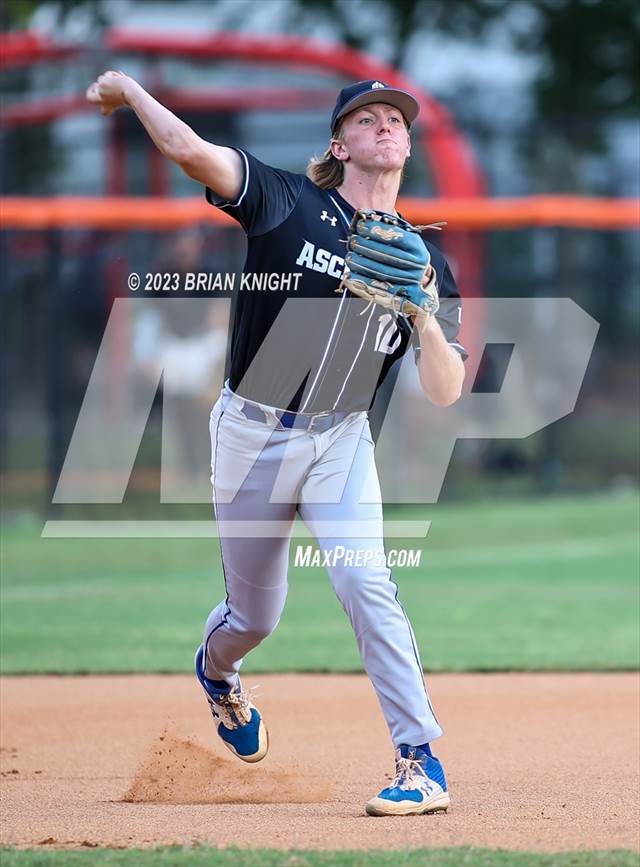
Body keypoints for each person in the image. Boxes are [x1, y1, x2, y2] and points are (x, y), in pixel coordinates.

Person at [87, 72, 466, 817]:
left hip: (342, 441)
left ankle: (420, 759)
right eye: (368, 118)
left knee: (366, 584)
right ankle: (217, 675)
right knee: (254, 619)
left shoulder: (426, 261)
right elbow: (191, 151)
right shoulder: (287, 201)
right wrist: (132, 89)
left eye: (397, 119)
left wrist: (424, 314)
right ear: (340, 142)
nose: (385, 126)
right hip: (252, 433)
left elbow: (448, 388)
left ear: (409, 145)